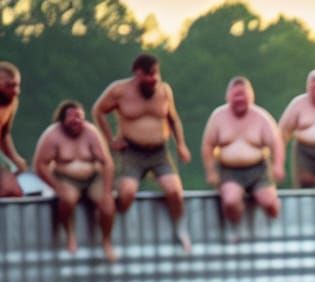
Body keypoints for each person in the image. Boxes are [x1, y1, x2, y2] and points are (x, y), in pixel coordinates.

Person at [91, 53, 192, 251]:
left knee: (174, 190)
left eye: (156, 74)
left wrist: (181, 144)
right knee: (127, 193)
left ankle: (181, 229)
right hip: (131, 151)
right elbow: (98, 111)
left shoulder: (164, 90)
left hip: (159, 152)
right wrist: (111, 140)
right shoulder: (119, 90)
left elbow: (173, 119)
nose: (154, 78)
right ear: (138, 73)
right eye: (149, 75)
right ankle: (111, 225)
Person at [32, 100, 117, 260]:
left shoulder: (91, 132)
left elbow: (107, 163)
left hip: (92, 178)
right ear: (62, 120)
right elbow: (40, 164)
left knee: (107, 203)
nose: (76, 121)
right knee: (67, 199)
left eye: (79, 118)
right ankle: (70, 234)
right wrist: (57, 186)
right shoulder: (52, 135)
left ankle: (106, 241)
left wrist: (107, 190)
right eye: (72, 118)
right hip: (66, 178)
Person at [201, 76, 284, 227]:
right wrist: (211, 171)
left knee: (268, 202)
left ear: (251, 97)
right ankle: (238, 229)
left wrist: (278, 165)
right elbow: (207, 145)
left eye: (243, 95)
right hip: (229, 170)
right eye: (236, 95)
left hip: (258, 169)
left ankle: (276, 225)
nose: (239, 99)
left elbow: (276, 143)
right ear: (228, 97)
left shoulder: (261, 117)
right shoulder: (218, 116)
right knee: (230, 201)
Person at [0, 62, 27, 198]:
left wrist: (15, 158)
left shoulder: (11, 101)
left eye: (17, 85)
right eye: (9, 85)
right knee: (9, 189)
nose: (16, 91)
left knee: (14, 191)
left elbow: (4, 133)